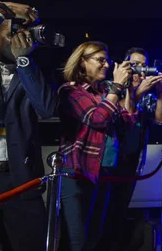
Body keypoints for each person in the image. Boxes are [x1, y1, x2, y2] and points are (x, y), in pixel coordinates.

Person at [0, 2, 57, 250]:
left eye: (25, 33)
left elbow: (46, 109)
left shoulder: (32, 70)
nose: (21, 39)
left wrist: (25, 63)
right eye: (13, 33)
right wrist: (1, 9)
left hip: (19, 177)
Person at [57, 41, 137, 251]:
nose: (107, 65)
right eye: (100, 60)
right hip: (77, 172)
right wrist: (116, 87)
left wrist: (128, 91)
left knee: (94, 235)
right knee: (77, 240)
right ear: (82, 62)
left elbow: (127, 122)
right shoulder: (70, 91)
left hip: (102, 172)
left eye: (107, 60)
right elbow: (98, 119)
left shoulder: (103, 92)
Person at [99, 47, 162, 251]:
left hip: (131, 159)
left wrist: (161, 91)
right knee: (102, 210)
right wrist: (136, 92)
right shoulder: (111, 85)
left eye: (144, 65)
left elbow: (160, 119)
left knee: (119, 208)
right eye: (135, 64)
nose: (140, 70)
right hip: (107, 160)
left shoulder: (147, 93)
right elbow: (118, 114)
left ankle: (114, 244)